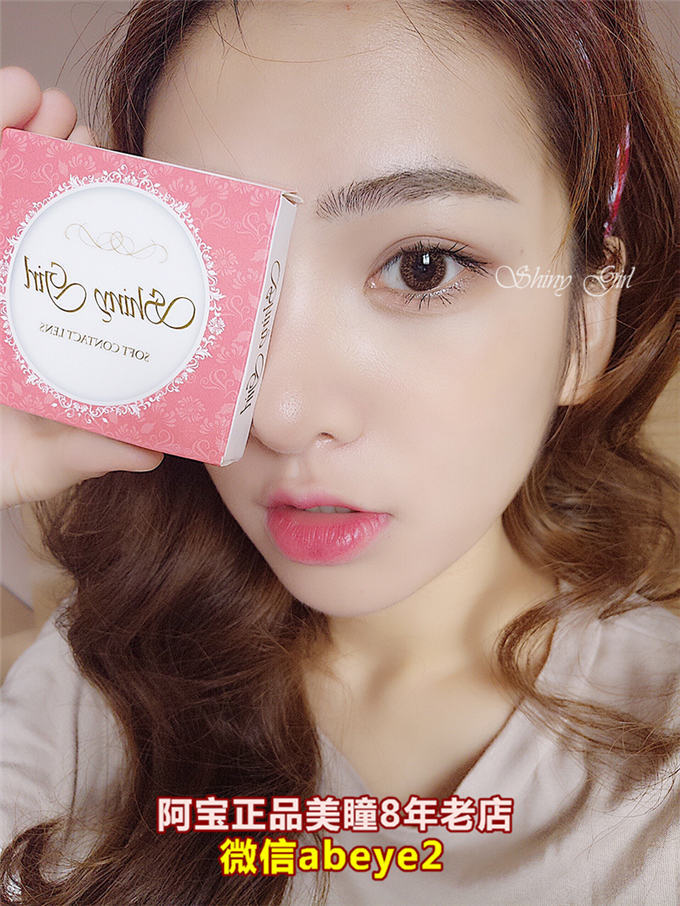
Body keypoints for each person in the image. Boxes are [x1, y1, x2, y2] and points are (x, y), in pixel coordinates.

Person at [0, 1, 678, 903]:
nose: (278, 414)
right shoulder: (88, 687)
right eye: (218, 278)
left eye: (424, 267)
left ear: (586, 319)